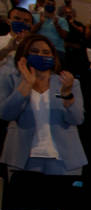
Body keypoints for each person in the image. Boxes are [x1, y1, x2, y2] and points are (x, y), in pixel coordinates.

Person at [1, 32, 86, 177]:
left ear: (53, 57)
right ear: (24, 54)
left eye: (46, 52)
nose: (41, 55)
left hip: (63, 161)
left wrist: (66, 94)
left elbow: (77, 119)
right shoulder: (11, 79)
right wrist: (25, 85)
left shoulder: (67, 82)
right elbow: (5, 114)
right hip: (23, 160)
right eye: (34, 51)